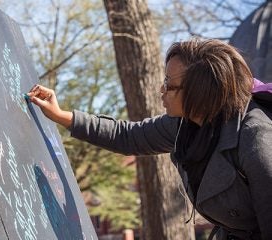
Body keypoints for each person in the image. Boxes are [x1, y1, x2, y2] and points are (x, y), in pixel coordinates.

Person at [27, 38, 272, 240]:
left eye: (169, 84)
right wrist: (62, 116)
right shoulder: (185, 124)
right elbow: (127, 136)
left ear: (200, 91)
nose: (161, 91)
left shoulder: (256, 139)